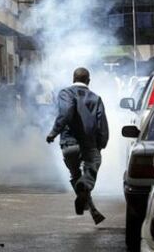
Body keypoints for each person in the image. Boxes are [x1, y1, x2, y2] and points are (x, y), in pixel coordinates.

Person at [46, 67, 109, 224]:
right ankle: (86, 194)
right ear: (88, 81)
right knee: (89, 173)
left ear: (73, 79)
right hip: (89, 144)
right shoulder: (96, 98)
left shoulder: (66, 93)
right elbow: (102, 125)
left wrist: (53, 133)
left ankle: (93, 210)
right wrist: (101, 145)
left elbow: (65, 113)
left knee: (76, 176)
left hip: (69, 144)